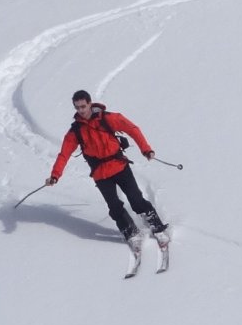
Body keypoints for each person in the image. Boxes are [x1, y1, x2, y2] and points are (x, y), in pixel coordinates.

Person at [46, 89, 169, 254]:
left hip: (119, 166)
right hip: (100, 173)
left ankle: (157, 227)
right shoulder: (76, 131)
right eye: (77, 107)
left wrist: (146, 149)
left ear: (90, 103)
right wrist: (55, 175)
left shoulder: (108, 118)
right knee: (114, 207)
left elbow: (132, 129)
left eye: (83, 106)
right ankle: (131, 233)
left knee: (136, 199)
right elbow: (64, 154)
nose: (81, 110)